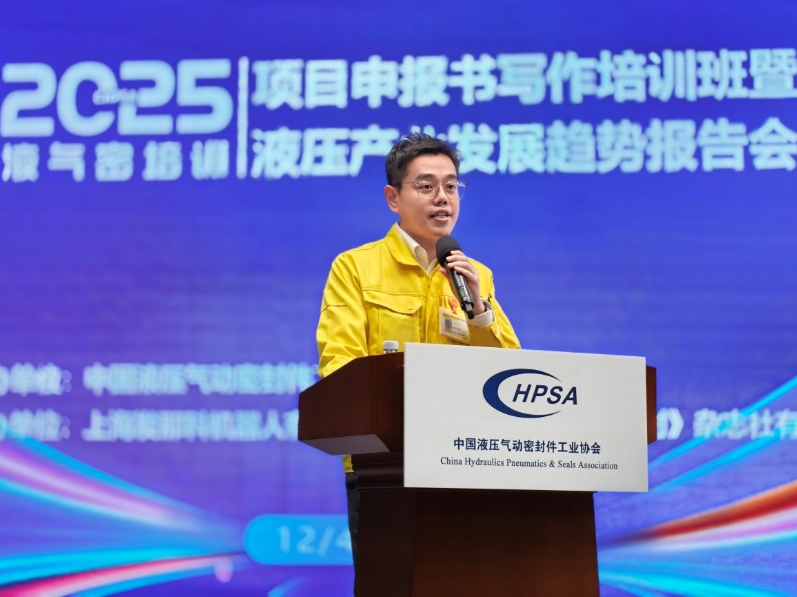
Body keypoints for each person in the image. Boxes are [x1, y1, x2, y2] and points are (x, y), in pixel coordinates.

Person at [315, 132, 521, 568]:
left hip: (463, 462)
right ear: (393, 197)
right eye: (426, 186)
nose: (442, 198)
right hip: (384, 465)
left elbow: (509, 375)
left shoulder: (476, 275)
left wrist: (479, 311)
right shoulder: (355, 267)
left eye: (451, 186)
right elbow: (340, 365)